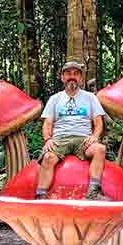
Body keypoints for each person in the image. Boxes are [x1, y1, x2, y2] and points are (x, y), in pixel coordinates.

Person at [35, 61, 107, 199]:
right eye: (68, 73)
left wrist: (95, 136)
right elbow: (47, 123)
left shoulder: (90, 97)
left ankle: (93, 192)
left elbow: (98, 122)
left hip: (83, 139)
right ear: (62, 77)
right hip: (60, 138)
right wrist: (47, 139)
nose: (71, 76)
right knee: (48, 157)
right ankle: (40, 195)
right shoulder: (55, 99)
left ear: (80, 78)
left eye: (76, 74)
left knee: (100, 149)